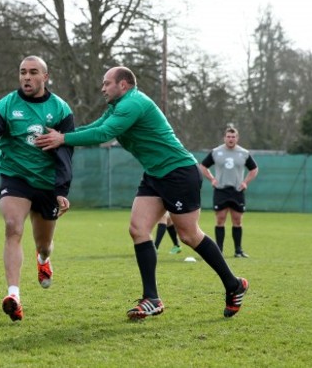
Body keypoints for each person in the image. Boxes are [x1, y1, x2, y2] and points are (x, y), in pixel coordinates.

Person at [35, 66, 249, 319]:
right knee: (138, 229)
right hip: (155, 174)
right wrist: (62, 135)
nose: (102, 88)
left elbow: (104, 134)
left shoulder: (133, 103)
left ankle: (234, 285)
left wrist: (63, 139)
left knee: (189, 235)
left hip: (178, 172)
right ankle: (152, 299)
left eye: (107, 83)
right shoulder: (117, 107)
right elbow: (95, 126)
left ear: (123, 85)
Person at [0, 55, 74, 322]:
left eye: (33, 72)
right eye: (22, 72)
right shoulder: (6, 106)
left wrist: (61, 189)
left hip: (47, 183)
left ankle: (42, 261)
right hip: (15, 177)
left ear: (46, 76)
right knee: (13, 227)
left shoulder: (61, 109)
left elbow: (66, 152)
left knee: (44, 245)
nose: (27, 77)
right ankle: (14, 295)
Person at [199, 126, 259, 258]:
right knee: (220, 219)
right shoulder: (216, 152)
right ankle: (218, 251)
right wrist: (212, 179)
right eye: (228, 137)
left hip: (237, 191)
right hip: (221, 190)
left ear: (237, 138)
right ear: (224, 138)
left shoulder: (243, 153)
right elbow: (202, 166)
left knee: (237, 220)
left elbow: (254, 169)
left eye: (233, 137)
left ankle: (238, 250)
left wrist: (245, 182)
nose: (231, 139)